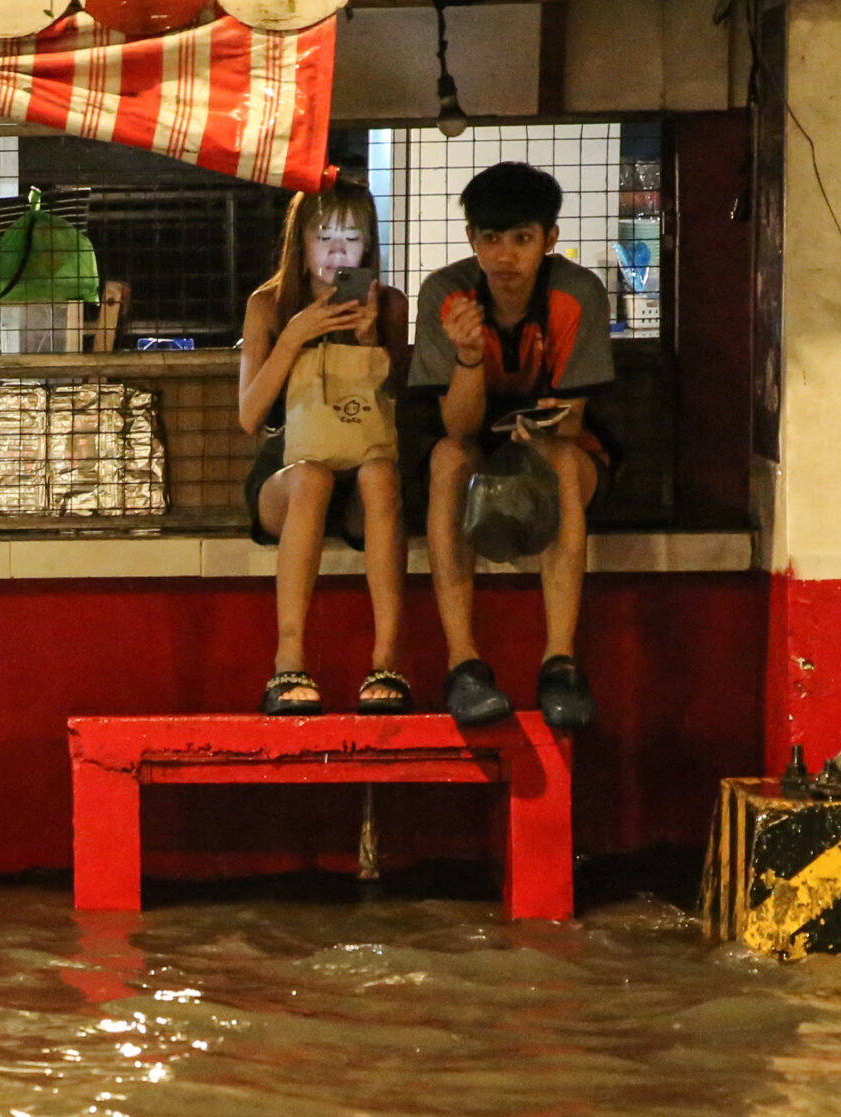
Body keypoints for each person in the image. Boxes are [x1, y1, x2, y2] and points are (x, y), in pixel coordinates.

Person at [408, 163, 618, 730]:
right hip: (476, 451)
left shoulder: (577, 293)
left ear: (549, 239)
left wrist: (546, 432)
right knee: (446, 460)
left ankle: (560, 663)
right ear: (472, 239)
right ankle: (464, 665)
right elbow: (455, 429)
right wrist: (470, 357)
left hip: (559, 451)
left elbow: (574, 422)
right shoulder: (446, 296)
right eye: (490, 238)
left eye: (522, 238)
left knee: (559, 461)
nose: (505, 255)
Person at [238, 178, 411, 716]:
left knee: (381, 472)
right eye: (323, 235)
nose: (337, 251)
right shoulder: (270, 304)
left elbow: (402, 407)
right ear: (300, 241)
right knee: (311, 475)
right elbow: (249, 417)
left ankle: (386, 661)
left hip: (363, 467)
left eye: (351, 238)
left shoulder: (389, 305)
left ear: (369, 246)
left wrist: (369, 344)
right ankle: (288, 663)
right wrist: (292, 336)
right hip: (290, 472)